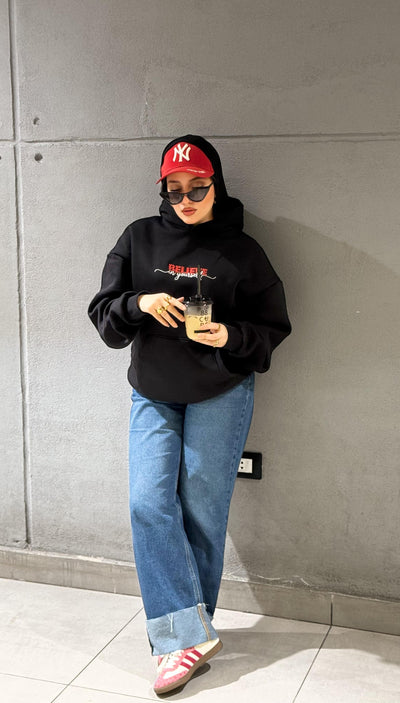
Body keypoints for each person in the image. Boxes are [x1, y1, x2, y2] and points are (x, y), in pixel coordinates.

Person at [87, 135, 291, 695]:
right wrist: (140, 303)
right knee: (147, 502)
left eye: (196, 188)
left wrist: (228, 335)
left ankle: (183, 641)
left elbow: (274, 326)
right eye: (174, 190)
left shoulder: (242, 252)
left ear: (215, 184)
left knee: (202, 510)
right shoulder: (139, 238)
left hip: (221, 391)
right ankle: (187, 636)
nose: (185, 200)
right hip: (153, 392)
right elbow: (103, 315)